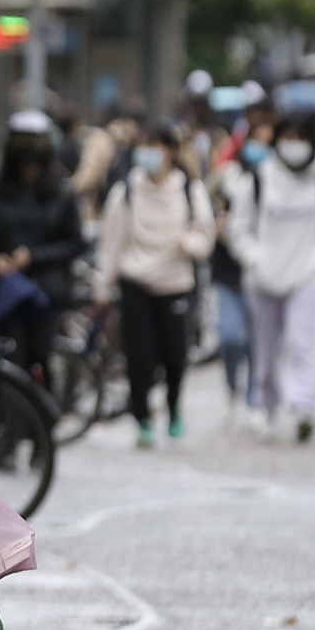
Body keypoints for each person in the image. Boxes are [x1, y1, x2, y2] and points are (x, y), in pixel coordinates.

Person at [230, 110, 315, 442]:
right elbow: (238, 230)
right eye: (288, 138)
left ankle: (303, 406)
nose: (294, 145)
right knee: (266, 348)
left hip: (307, 273)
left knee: (301, 342)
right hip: (263, 277)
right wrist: (254, 258)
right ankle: (267, 407)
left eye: (301, 138)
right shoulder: (257, 179)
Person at [95, 119, 215, 445]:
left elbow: (205, 234)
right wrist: (102, 288)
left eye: (155, 145)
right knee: (139, 356)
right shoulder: (127, 191)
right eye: (143, 145)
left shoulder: (190, 190)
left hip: (175, 284)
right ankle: (143, 418)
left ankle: (173, 405)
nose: (148, 152)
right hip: (135, 284)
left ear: (172, 150)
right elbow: (112, 243)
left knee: (175, 355)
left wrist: (189, 244)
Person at [0, 113, 85, 383]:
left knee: (40, 363)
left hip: (44, 296)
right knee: (9, 368)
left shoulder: (62, 191)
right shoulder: (0, 193)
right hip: (7, 296)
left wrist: (33, 256)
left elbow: (74, 242)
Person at [209, 119, 275, 413]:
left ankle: (253, 397)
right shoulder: (226, 176)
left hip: (261, 272)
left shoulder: (277, 183)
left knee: (256, 339)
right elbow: (206, 206)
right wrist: (218, 225)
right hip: (228, 270)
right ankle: (231, 383)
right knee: (230, 335)